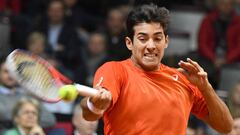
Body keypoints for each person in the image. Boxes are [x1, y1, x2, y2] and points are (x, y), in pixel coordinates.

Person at [78, 4, 233, 135]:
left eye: (157, 38)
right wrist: (95, 104)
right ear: (129, 43)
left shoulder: (185, 79)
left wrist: (206, 88)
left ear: (166, 41)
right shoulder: (115, 70)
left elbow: (225, 127)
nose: (151, 46)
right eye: (143, 39)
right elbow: (90, 114)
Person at [197, 0, 240, 87]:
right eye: (223, 4)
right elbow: (202, 44)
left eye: (229, 4)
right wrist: (213, 58)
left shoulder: (238, 22)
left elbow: (238, 48)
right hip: (209, 58)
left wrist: (226, 59)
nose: (226, 7)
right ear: (217, 4)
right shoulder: (208, 20)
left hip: (232, 59)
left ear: (233, 5)